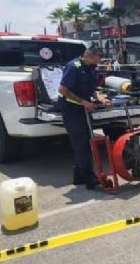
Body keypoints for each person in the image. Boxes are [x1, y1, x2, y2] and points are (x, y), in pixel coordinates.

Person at [57, 46, 111, 189]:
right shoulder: (73, 67)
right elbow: (63, 90)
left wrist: (99, 98)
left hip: (83, 108)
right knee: (81, 144)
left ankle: (79, 177)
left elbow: (91, 88)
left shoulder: (91, 67)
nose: (98, 62)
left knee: (86, 143)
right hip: (71, 109)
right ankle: (90, 180)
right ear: (87, 56)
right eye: (96, 59)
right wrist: (83, 102)